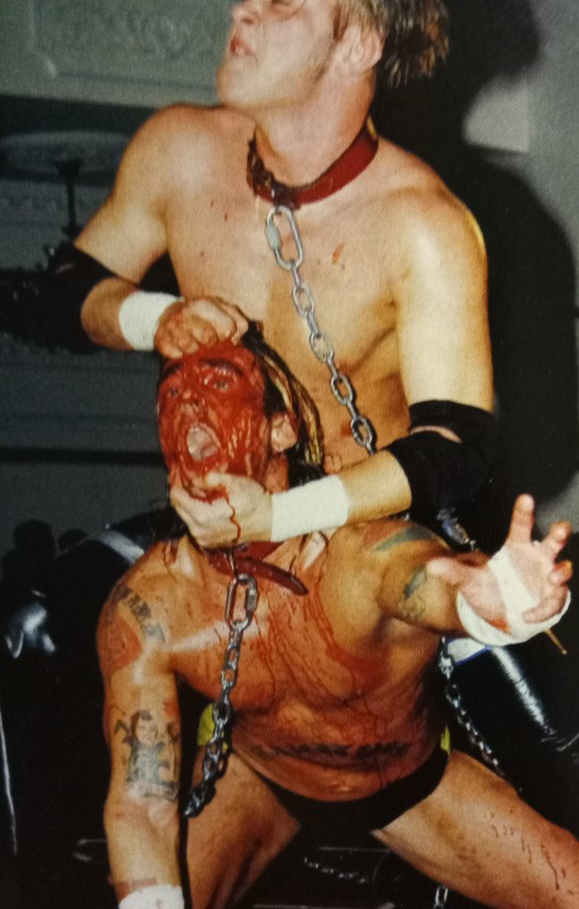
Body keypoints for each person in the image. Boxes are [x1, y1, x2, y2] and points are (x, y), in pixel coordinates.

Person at [50, 0, 497, 548]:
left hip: (358, 537)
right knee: (47, 602)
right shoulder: (177, 152)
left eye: (279, 1)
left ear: (357, 44)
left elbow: (455, 445)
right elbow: (66, 285)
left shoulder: (424, 227)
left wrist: (281, 517)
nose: (241, 12)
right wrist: (156, 317)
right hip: (217, 528)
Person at [98, 331, 576, 909]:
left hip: (407, 785)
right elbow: (140, 806)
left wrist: (495, 598)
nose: (192, 401)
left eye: (219, 383)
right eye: (173, 393)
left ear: (282, 429)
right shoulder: (150, 606)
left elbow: (426, 577)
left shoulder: (356, 555)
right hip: (259, 778)